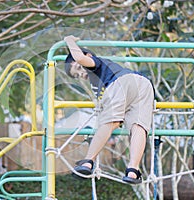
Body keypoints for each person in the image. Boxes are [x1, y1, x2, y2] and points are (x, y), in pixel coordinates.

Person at [64, 35, 154, 184]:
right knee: (138, 127)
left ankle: (88, 161)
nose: (81, 73)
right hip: (143, 84)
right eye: (77, 75)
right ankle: (133, 170)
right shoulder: (97, 80)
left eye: (79, 69)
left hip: (120, 82)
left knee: (109, 122)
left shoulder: (94, 64)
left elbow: (79, 58)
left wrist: (69, 40)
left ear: (89, 56)